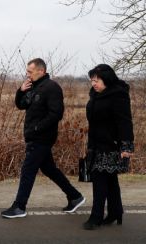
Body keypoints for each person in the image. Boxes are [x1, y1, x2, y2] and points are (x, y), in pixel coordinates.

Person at [1, 58, 85, 218]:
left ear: (41, 71)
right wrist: (21, 90)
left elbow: (56, 114)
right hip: (34, 136)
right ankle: (75, 197)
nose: (27, 74)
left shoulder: (52, 87)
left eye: (30, 72)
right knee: (49, 169)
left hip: (42, 137)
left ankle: (19, 207)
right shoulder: (34, 87)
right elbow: (21, 105)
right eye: (27, 71)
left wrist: (37, 128)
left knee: (28, 170)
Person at [83, 64, 134, 230]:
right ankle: (115, 212)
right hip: (96, 144)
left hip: (111, 146)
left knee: (99, 180)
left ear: (107, 79)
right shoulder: (96, 95)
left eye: (97, 80)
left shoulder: (118, 95)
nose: (94, 84)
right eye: (92, 81)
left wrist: (126, 147)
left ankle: (96, 217)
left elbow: (125, 122)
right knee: (110, 180)